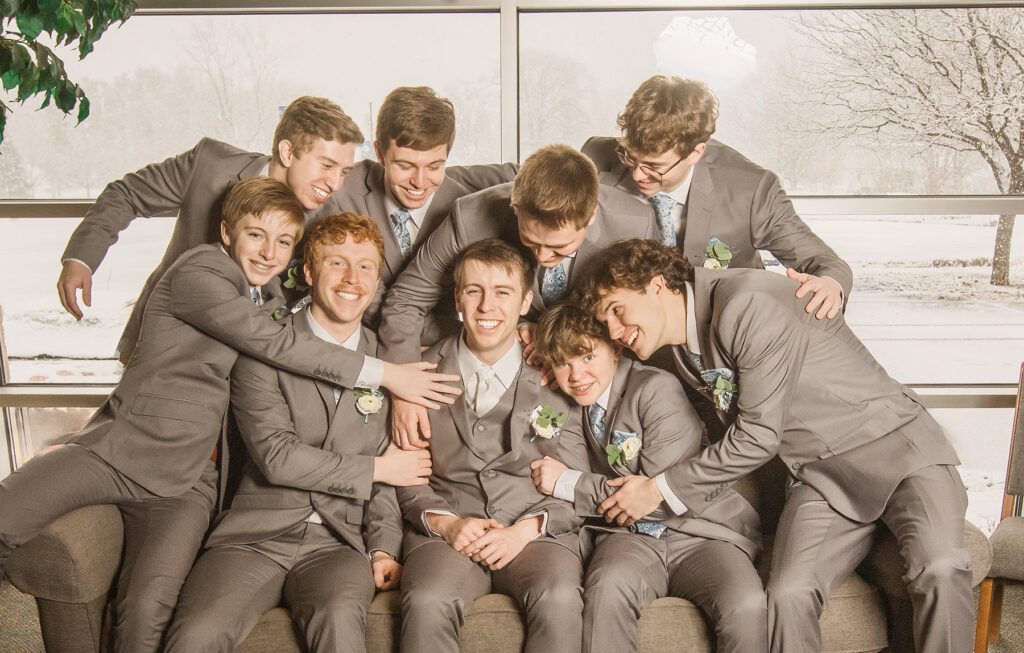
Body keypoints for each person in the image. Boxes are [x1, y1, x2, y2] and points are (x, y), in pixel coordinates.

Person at [0, 178, 457, 653]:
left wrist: (382, 545)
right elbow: (277, 364)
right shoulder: (206, 277)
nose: (269, 252)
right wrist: (387, 379)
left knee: (147, 607)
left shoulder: (274, 302)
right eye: (256, 235)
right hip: (125, 452)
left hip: (193, 478)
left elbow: (395, 468)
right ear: (227, 232)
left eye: (283, 241)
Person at [579, 238, 971, 653]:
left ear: (657, 284)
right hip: (820, 476)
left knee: (940, 566)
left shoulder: (746, 303)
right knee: (787, 595)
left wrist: (658, 489)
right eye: (605, 322)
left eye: (617, 310)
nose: (615, 332)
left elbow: (758, 436)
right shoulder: (669, 351)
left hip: (897, 447)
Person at [166, 213, 427, 653]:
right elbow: (277, 457)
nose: (353, 279)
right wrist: (377, 468)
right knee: (196, 636)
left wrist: (383, 548)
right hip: (255, 535)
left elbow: (390, 477)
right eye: (337, 263)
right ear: (308, 272)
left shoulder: (390, 363)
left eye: (365, 266)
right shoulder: (266, 344)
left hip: (338, 542)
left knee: (341, 626)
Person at [379, 143, 657, 448]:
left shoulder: (634, 224)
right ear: (515, 208)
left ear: (590, 216)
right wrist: (404, 388)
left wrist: (556, 338)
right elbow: (406, 300)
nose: (543, 257)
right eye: (530, 241)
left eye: (559, 247)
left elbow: (645, 320)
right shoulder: (471, 217)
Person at [528, 303, 765, 653]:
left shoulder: (656, 388)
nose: (577, 374)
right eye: (563, 363)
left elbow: (657, 498)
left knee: (745, 604)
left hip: (700, 531)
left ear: (615, 348)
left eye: (588, 357)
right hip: (628, 537)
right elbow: (579, 492)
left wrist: (569, 482)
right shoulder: (569, 404)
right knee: (605, 591)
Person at [58, 96, 363, 364]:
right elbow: (127, 194)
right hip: (167, 349)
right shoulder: (209, 165)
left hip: (257, 364)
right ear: (287, 152)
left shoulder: (329, 217)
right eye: (326, 166)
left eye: (344, 172)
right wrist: (80, 260)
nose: (335, 183)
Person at [396, 239, 589, 653]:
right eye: (474, 291)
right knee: (427, 600)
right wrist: (447, 524)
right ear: (457, 299)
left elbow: (577, 478)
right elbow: (404, 473)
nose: (487, 306)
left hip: (533, 529)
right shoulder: (417, 373)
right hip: (449, 527)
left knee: (558, 597)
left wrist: (527, 529)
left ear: (525, 302)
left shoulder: (559, 374)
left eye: (502, 292)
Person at [582, 75, 852, 321]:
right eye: (630, 158)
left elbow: (824, 262)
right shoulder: (593, 160)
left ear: (695, 153)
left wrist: (830, 284)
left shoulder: (751, 189)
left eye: (654, 166)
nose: (637, 174)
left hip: (719, 329)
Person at [320, 85, 518, 337]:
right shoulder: (341, 192)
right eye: (405, 166)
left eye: (434, 166)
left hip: (443, 347)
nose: (420, 182)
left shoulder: (464, 209)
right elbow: (365, 302)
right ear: (380, 153)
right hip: (357, 339)